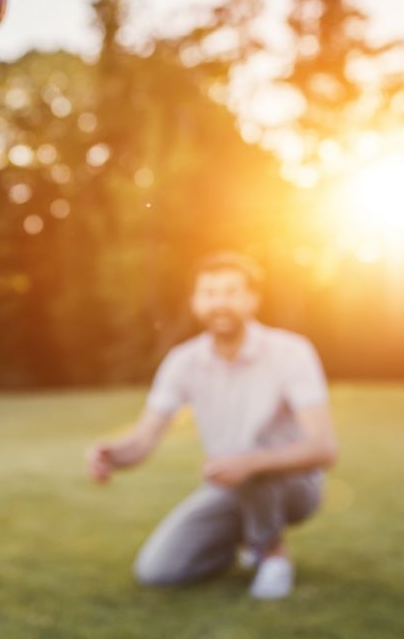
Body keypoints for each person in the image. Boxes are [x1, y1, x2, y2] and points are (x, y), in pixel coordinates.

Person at [86, 252, 337, 599]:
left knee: (251, 461)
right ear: (195, 301)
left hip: (295, 487)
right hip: (230, 486)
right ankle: (245, 539)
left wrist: (249, 462)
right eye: (209, 293)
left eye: (231, 292)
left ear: (252, 299)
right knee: (158, 571)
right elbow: (143, 442)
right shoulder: (183, 362)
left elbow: (324, 449)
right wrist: (112, 454)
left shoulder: (291, 352)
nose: (220, 302)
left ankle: (271, 552)